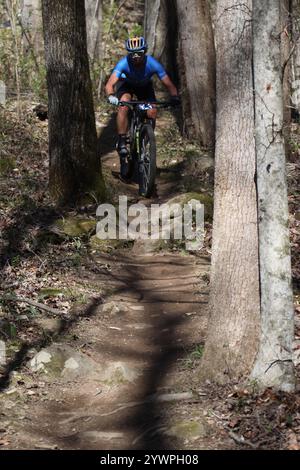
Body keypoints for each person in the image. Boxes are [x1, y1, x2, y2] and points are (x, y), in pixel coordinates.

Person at [105, 36, 180, 158]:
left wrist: (175, 97)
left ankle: (146, 138)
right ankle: (122, 141)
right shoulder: (123, 63)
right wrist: (111, 95)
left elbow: (169, 84)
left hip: (144, 88)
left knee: (152, 111)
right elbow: (109, 84)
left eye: (138, 53)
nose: (135, 57)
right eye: (132, 54)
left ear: (144, 52)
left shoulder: (153, 63)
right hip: (127, 86)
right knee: (124, 104)